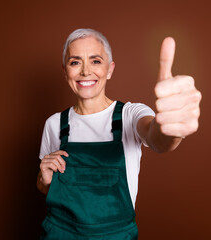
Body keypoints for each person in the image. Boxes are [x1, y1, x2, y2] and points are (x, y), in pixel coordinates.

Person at [37, 28, 201, 240]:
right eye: (75, 62)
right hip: (60, 234)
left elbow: (157, 138)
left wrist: (171, 128)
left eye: (95, 61)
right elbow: (44, 185)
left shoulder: (130, 115)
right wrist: (44, 179)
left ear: (110, 69)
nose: (86, 71)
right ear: (65, 71)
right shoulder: (54, 124)